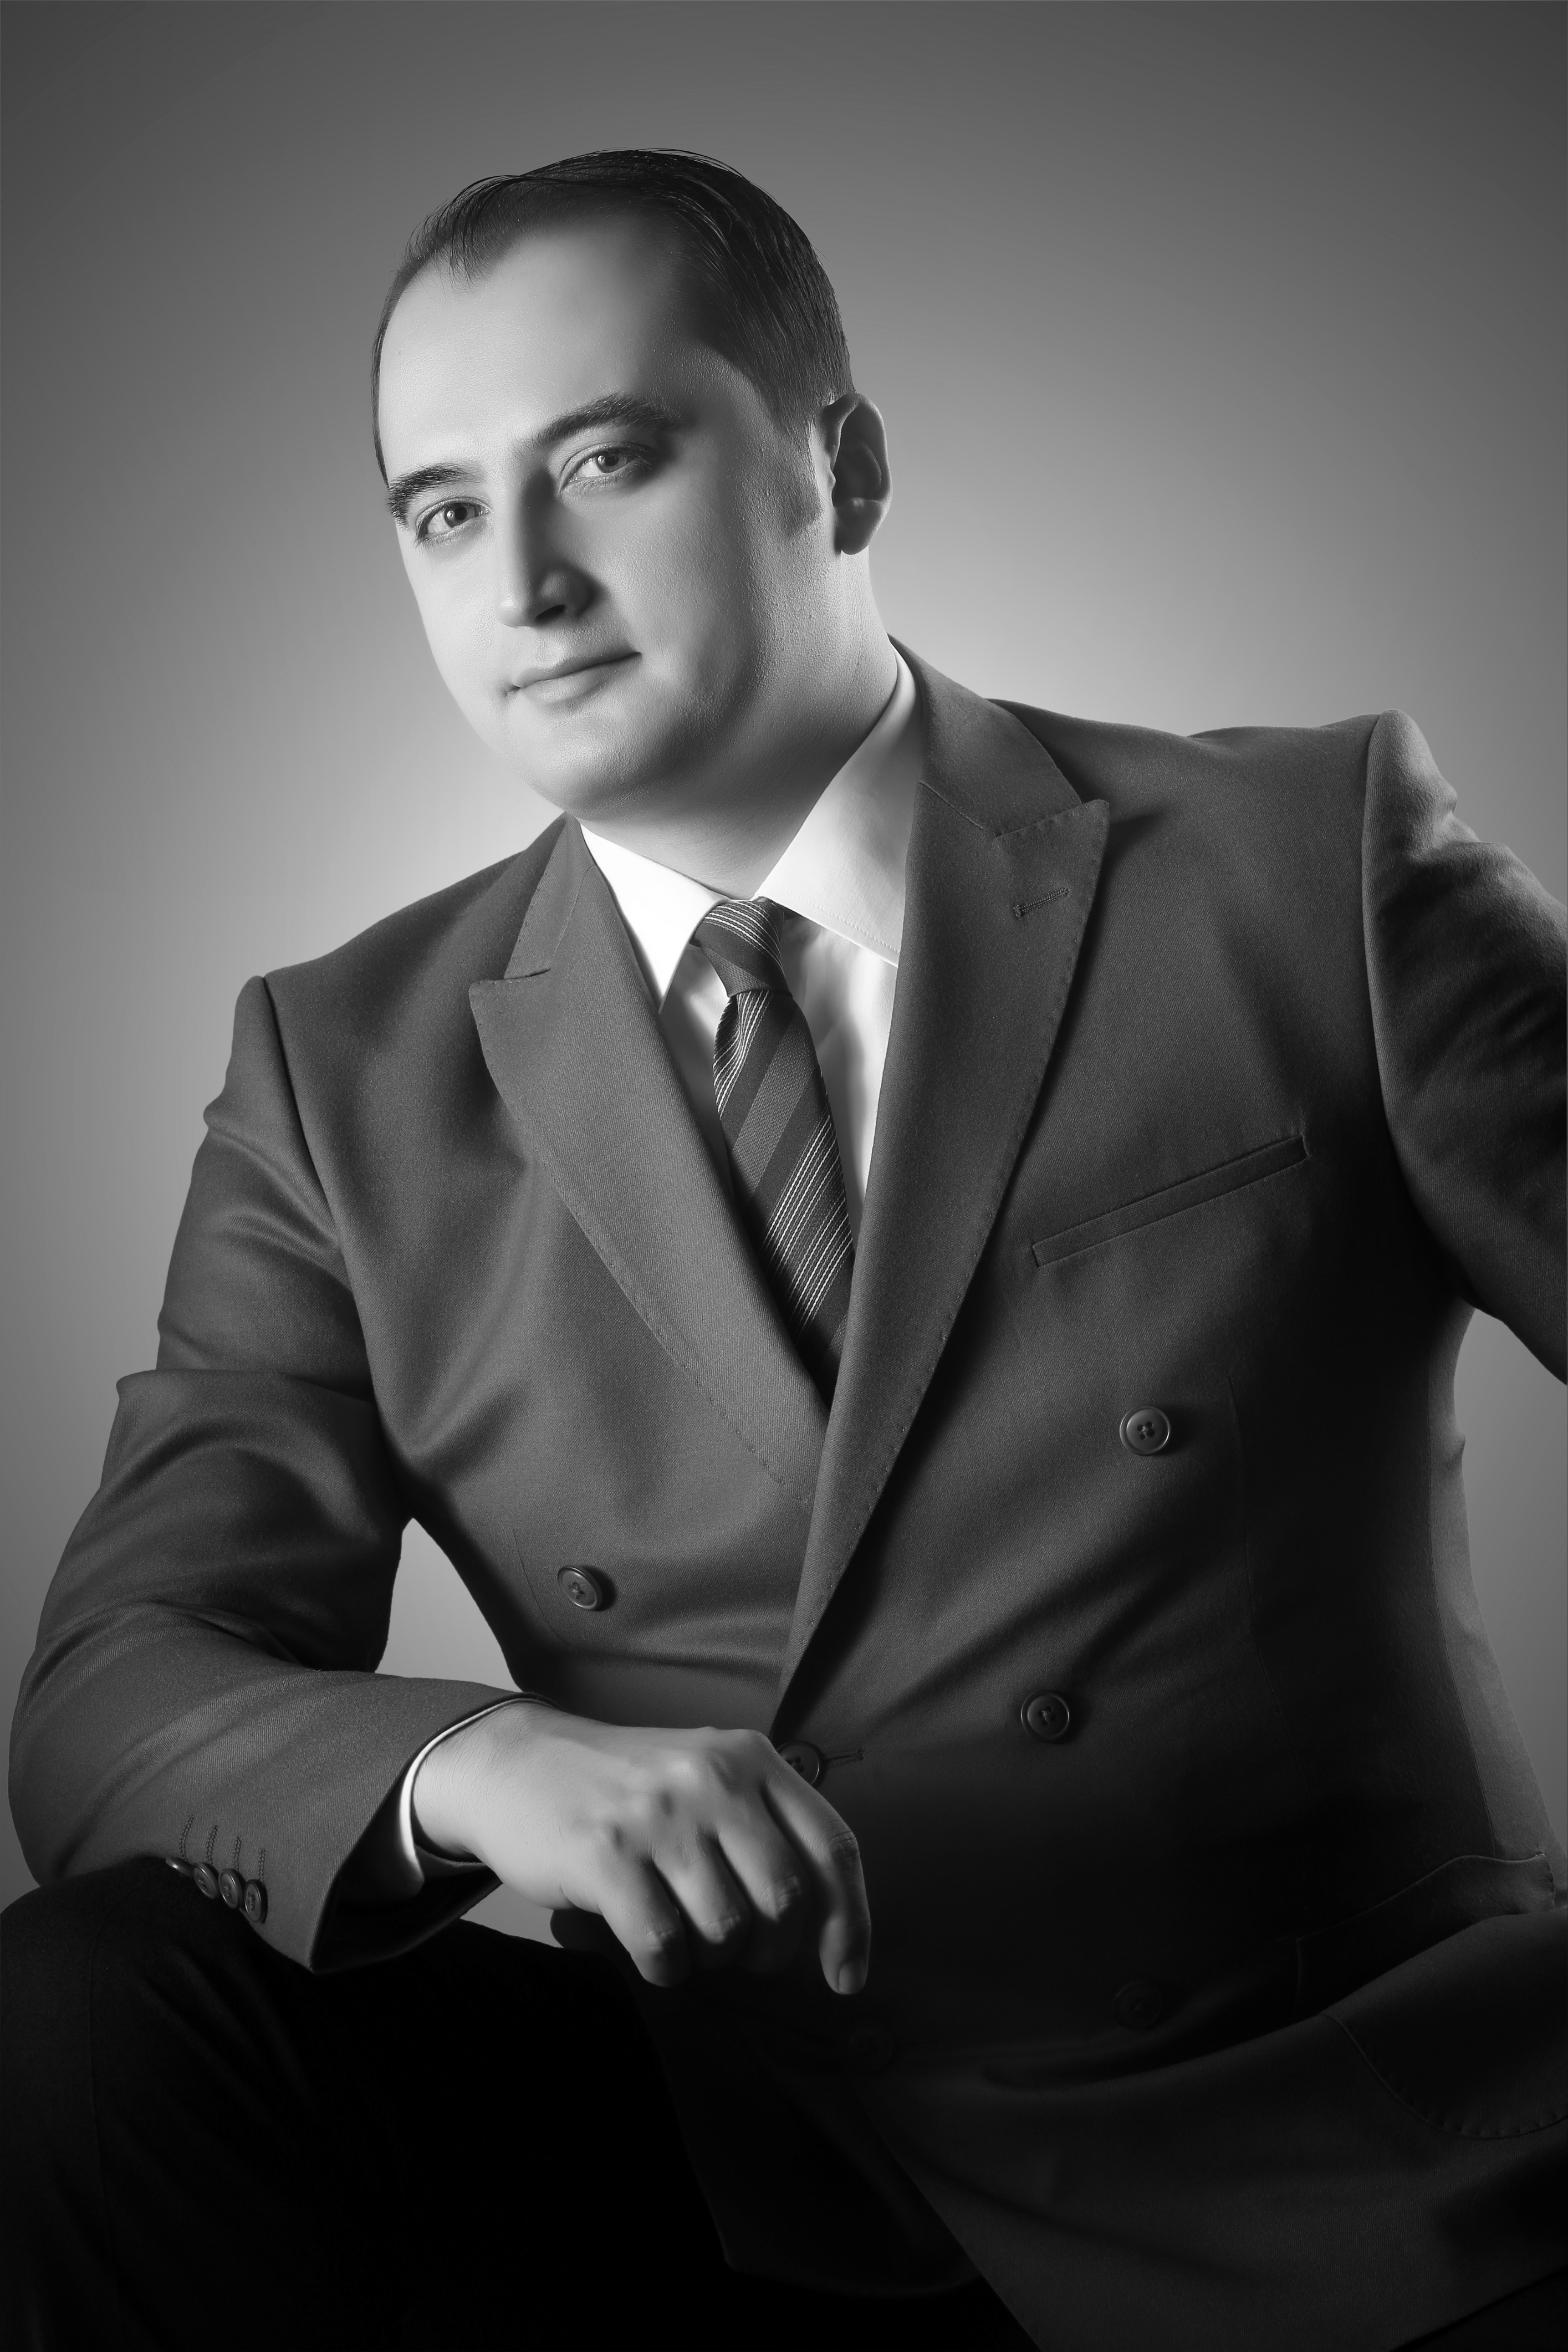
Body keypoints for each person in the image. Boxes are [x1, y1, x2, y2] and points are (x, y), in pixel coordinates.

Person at [3, 150, 1564, 2352]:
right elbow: (110, 1691)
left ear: (845, 464)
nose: (524, 583)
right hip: (732, 2174)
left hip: (1340, 2143)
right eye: (442, 509)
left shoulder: (1304, 864)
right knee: (85, 2011)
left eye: (604, 461)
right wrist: (470, 1769)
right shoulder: (340, 1067)